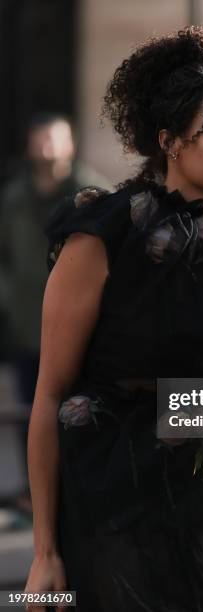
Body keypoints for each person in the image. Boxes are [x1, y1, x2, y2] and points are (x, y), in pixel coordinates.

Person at [24, 26, 203, 611]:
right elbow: (50, 396)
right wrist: (45, 554)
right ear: (169, 140)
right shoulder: (104, 236)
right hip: (116, 521)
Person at [0, 112, 111, 516]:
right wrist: (9, 295)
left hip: (81, 330)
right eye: (40, 139)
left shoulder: (93, 194)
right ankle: (37, 491)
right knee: (34, 412)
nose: (47, 148)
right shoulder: (14, 197)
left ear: (71, 145)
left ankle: (80, 489)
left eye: (54, 139)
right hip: (27, 329)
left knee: (80, 413)